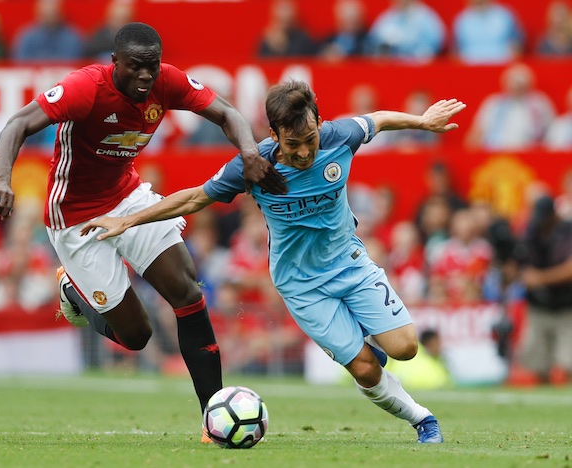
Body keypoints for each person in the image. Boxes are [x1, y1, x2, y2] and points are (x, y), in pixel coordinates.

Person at [81, 79, 467, 443]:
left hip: (350, 264)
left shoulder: (341, 137)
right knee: (366, 368)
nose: (304, 152)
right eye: (294, 143)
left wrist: (422, 121)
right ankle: (423, 419)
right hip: (300, 285)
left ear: (319, 121)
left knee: (405, 348)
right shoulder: (253, 169)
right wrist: (128, 219)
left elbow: (379, 120)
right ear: (274, 135)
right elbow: (194, 198)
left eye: (310, 140)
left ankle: (366, 340)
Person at [0, 22, 287, 442]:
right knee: (137, 336)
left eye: (152, 66)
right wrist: (2, 180)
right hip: (74, 215)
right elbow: (17, 124)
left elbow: (228, 113)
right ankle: (73, 291)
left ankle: (211, 416)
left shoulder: (167, 81)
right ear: (115, 64)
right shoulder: (84, 89)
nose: (146, 76)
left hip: (127, 196)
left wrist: (250, 153)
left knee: (188, 292)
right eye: (136, 68)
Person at [514, 195, 572, 385]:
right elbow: (519, 265)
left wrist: (540, 278)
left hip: (566, 307)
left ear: (554, 215)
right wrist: (521, 275)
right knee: (535, 367)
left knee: (568, 365)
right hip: (539, 307)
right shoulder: (531, 231)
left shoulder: (568, 230)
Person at [465, 63, 555, 151]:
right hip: (496, 154)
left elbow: (552, 131)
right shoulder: (494, 103)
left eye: (520, 83)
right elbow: (477, 133)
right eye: (512, 82)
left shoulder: (540, 103)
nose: (516, 87)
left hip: (530, 154)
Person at [365, 0, 446, 62]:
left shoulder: (428, 20)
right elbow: (373, 47)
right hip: (390, 71)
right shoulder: (385, 19)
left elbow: (432, 51)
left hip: (418, 72)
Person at [452, 0, 524, 65]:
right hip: (469, 68)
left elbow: (517, 46)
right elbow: (455, 51)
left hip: (501, 66)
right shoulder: (462, 19)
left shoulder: (505, 16)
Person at [12, 0, 83, 62]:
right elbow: (21, 65)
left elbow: (74, 65)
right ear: (38, 12)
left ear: (60, 12)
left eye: (53, 13)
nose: (50, 15)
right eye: (46, 14)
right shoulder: (26, 37)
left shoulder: (72, 38)